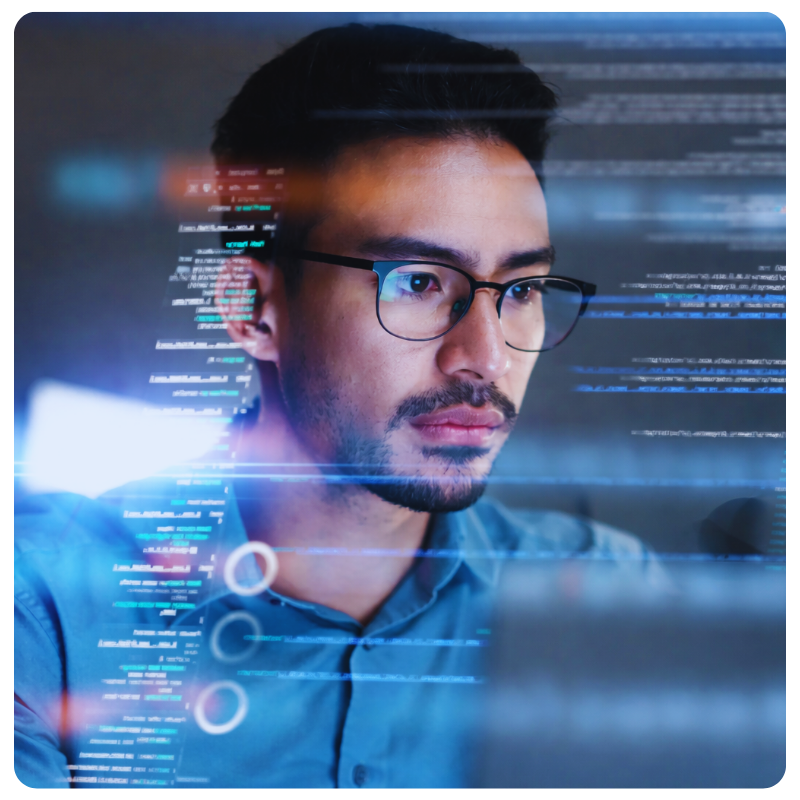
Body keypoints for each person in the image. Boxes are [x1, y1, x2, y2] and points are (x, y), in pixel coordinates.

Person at [15, 23, 666, 789]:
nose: (486, 358)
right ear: (253, 308)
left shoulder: (611, 596)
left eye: (520, 291)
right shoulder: (48, 611)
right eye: (418, 281)